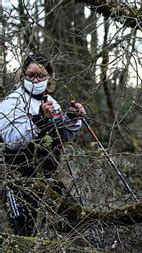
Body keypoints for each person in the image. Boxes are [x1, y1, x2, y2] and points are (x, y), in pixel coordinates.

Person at [0, 52, 86, 236]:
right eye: (31, 75)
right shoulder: (11, 102)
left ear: (49, 77)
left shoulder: (52, 103)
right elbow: (12, 141)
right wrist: (38, 119)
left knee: (71, 215)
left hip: (47, 176)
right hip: (17, 178)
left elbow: (61, 136)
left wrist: (71, 117)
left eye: (41, 75)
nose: (35, 79)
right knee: (23, 230)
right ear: (23, 75)